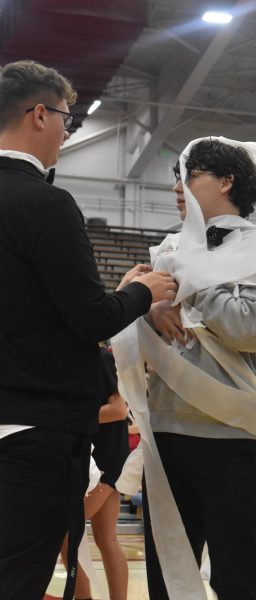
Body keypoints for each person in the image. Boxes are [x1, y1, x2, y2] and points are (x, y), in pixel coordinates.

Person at [0, 60, 177, 600]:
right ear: (38, 114)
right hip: (32, 430)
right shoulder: (45, 203)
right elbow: (89, 318)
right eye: (65, 119)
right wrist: (145, 294)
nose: (66, 132)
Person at [125, 138, 256, 600]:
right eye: (175, 177)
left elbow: (246, 329)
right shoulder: (171, 247)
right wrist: (147, 311)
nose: (177, 187)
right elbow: (144, 327)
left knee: (236, 579)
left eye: (190, 174)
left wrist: (188, 276)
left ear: (226, 181)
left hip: (229, 433)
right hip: (165, 429)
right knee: (167, 577)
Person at [61, 346, 130, 600]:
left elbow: (118, 410)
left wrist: (67, 417)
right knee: (106, 538)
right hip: (101, 460)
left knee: (66, 533)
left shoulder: (99, 358)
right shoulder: (77, 360)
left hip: (104, 461)